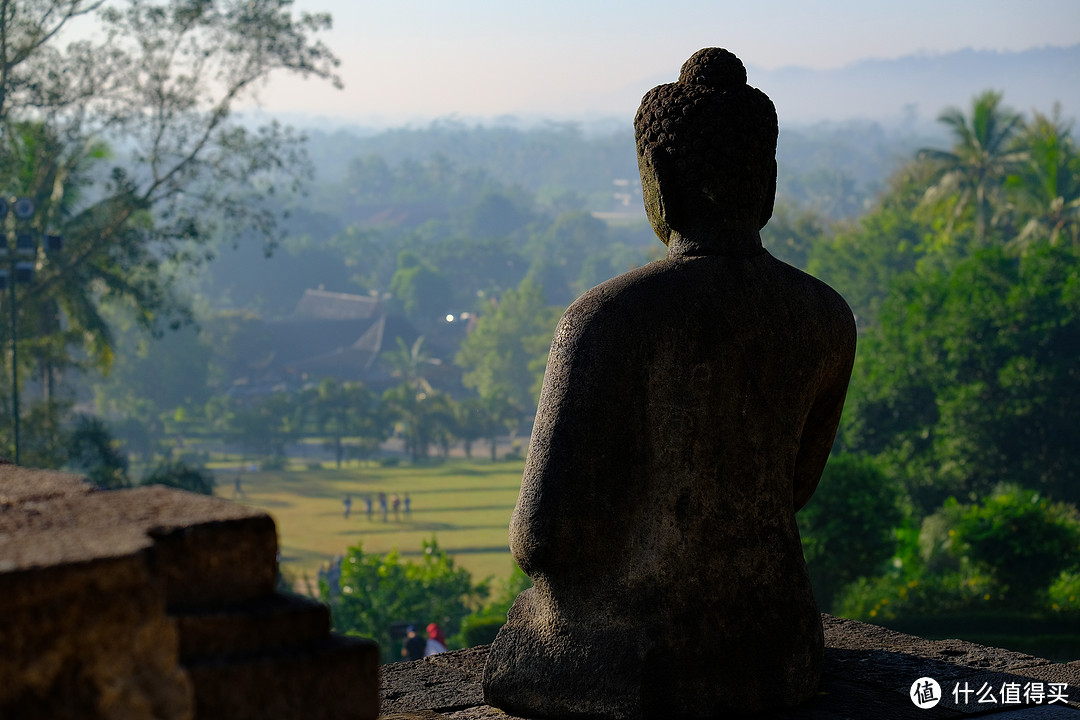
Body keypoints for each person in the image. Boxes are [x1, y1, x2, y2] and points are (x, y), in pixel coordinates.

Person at [483, 48, 856, 720]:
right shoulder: (825, 316)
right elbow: (793, 488)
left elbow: (538, 539)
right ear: (765, 180)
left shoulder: (607, 319)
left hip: (638, 659)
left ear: (657, 177)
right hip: (779, 643)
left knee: (529, 637)